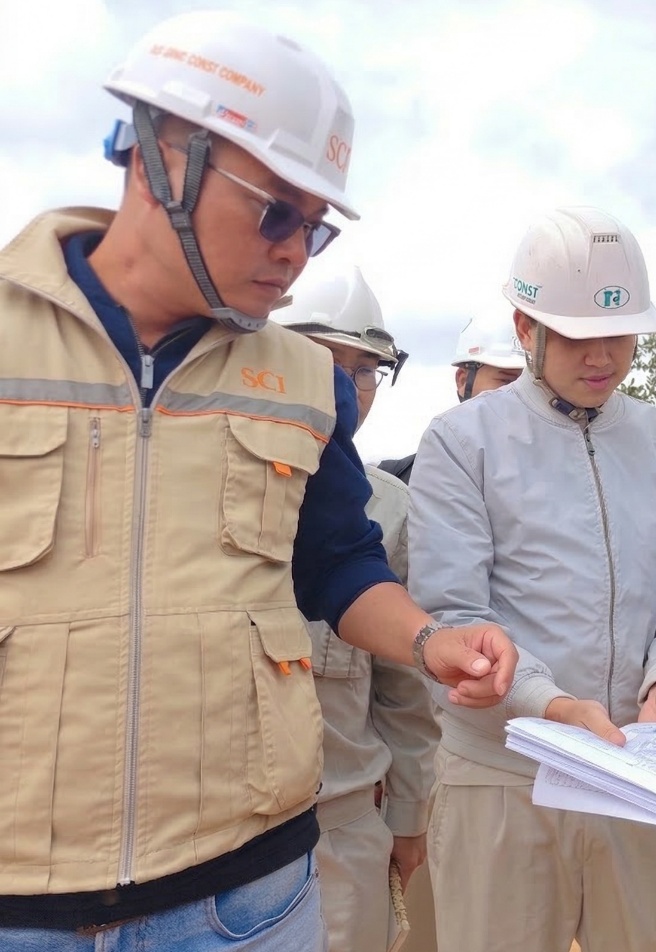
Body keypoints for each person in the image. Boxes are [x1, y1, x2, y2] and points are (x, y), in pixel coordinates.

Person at [0, 12, 514, 950]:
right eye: (275, 211)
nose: (294, 252)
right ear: (160, 161)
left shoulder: (306, 383)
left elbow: (339, 564)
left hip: (246, 901)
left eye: (314, 229)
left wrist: (429, 638)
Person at [407, 206, 656, 952]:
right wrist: (551, 705)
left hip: (633, 775)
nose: (601, 357)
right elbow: (455, 611)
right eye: (576, 336)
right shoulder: (463, 441)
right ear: (526, 327)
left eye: (620, 334)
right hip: (503, 775)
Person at [276, 267, 440, 952]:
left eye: (365, 369)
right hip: (213, 836)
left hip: (341, 828)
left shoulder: (392, 508)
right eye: (323, 361)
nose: (346, 387)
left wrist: (408, 816)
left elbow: (403, 689)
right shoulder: (204, 483)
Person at [377, 315, 524, 483]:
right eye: (507, 381)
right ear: (463, 380)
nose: (521, 396)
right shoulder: (393, 483)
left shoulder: (546, 478)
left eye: (532, 385)